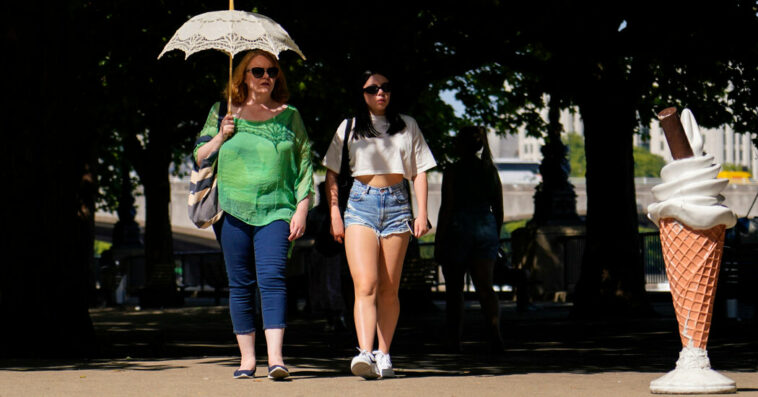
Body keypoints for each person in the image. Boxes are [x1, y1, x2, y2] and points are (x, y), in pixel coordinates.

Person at [194, 49, 314, 380]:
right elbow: (199, 156)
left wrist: (302, 206)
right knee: (241, 284)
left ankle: (276, 359)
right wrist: (221, 136)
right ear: (243, 76)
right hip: (232, 209)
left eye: (272, 72)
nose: (265, 77)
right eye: (257, 71)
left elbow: (305, 163)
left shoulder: (290, 116)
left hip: (277, 208)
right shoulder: (222, 113)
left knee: (273, 280)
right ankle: (247, 360)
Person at [323, 70, 437, 379]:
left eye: (385, 88)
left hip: (398, 205)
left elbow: (421, 171)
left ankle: (384, 354)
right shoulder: (348, 127)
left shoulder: (407, 125)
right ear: (361, 93)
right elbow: (331, 173)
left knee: (389, 288)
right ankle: (364, 352)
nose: (380, 93)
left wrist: (422, 212)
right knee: (366, 283)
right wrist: (334, 212)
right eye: (372, 89)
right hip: (360, 204)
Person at [434, 126, 505, 353]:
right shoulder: (490, 170)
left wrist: (439, 241)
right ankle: (495, 335)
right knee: (486, 287)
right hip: (485, 228)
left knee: (455, 290)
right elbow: (499, 208)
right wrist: (495, 233)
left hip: (458, 230)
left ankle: (454, 339)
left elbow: (447, 207)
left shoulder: (453, 171)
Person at [304, 182, 348, 332]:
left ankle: (338, 316)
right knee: (323, 286)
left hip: (334, 252)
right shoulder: (318, 212)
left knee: (332, 286)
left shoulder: (335, 212)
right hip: (322, 250)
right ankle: (331, 316)